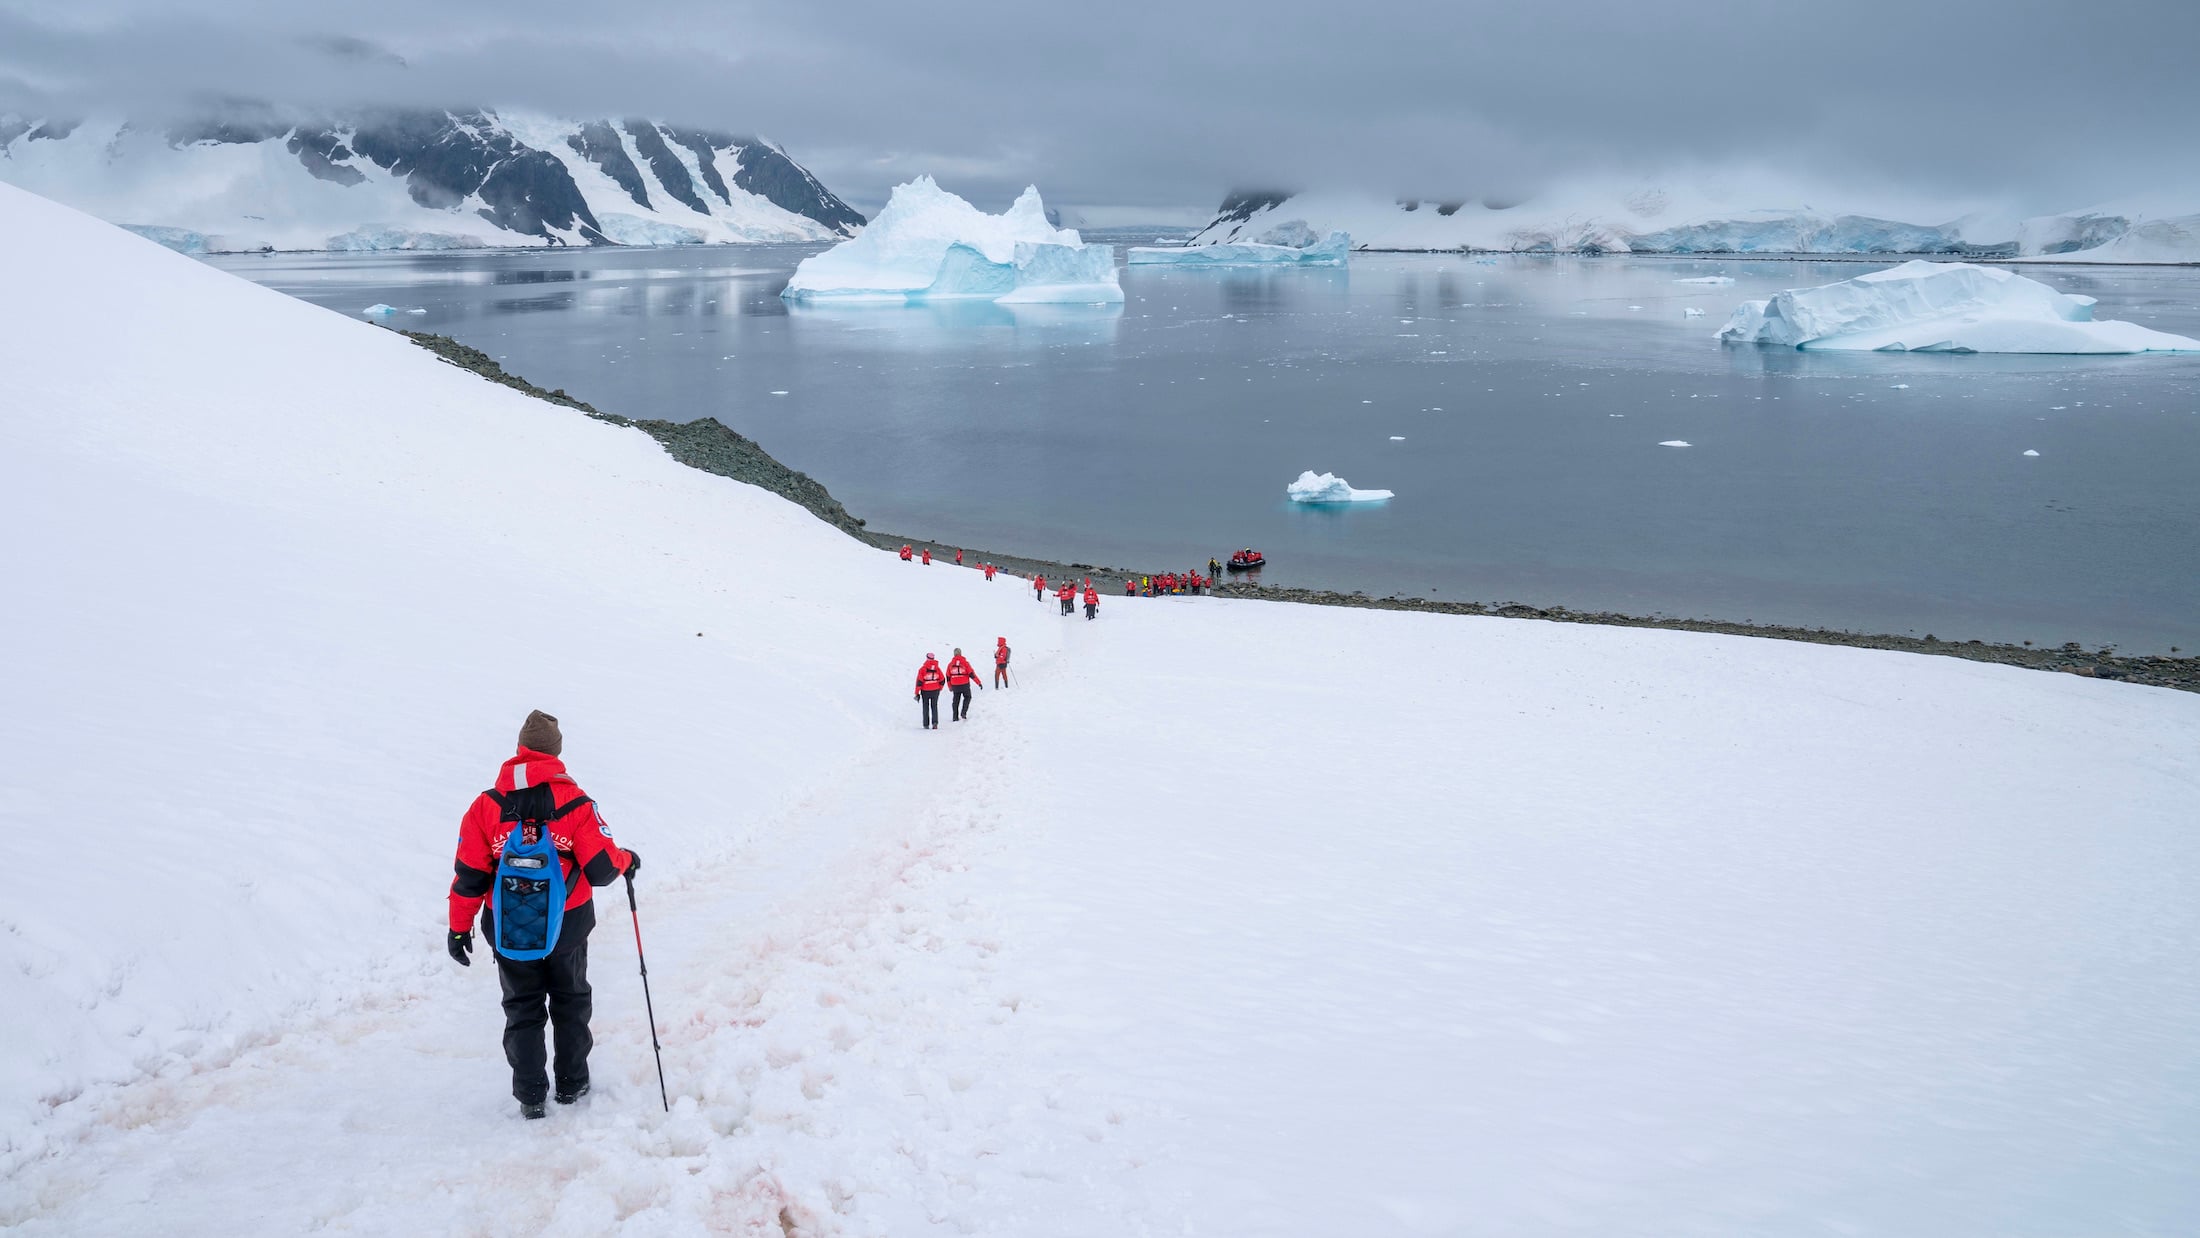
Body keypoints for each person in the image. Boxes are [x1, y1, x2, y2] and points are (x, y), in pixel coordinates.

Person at [447, 711, 638, 1120]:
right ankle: (572, 1085)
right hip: (567, 925)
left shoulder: (485, 806)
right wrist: (628, 860)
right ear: (556, 754)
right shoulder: (576, 803)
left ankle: (531, 1097)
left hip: (509, 928)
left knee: (522, 1007)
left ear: (519, 750)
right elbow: (603, 869)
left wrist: (459, 928)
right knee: (570, 1001)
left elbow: (469, 877)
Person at [945, 647, 983, 721]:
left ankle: (955, 717)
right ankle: (963, 712)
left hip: (955, 685)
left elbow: (948, 676)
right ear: (960, 653)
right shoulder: (965, 663)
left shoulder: (950, 664)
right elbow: (972, 674)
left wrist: (950, 686)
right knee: (968, 697)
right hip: (964, 684)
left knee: (956, 701)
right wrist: (978, 683)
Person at [914, 653, 946, 729]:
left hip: (925, 691)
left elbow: (919, 682)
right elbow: (942, 679)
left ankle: (926, 724)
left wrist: (917, 693)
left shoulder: (922, 669)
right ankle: (935, 723)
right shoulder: (937, 669)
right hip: (935, 690)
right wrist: (939, 688)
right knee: (934, 706)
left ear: (927, 658)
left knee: (925, 707)